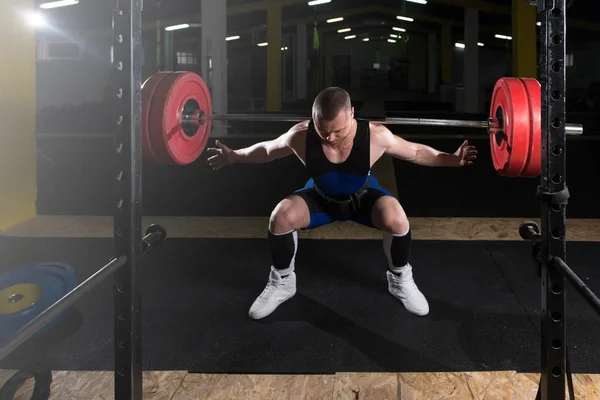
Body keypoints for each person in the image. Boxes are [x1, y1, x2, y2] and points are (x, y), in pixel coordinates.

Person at [207, 87, 477, 320]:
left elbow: (416, 152)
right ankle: (283, 282)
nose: (330, 138)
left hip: (362, 198)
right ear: (313, 118)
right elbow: (266, 150)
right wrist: (234, 156)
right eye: (323, 130)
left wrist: (451, 159)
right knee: (281, 217)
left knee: (397, 219)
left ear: (352, 114)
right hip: (320, 199)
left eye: (337, 130)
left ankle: (399, 279)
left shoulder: (376, 136)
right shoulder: (301, 135)